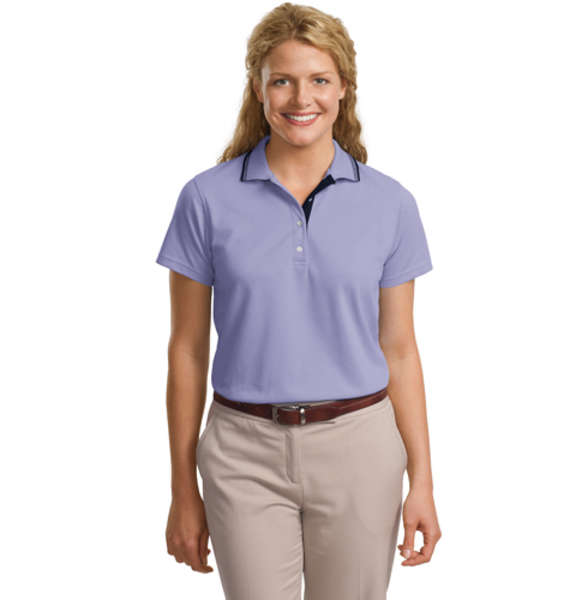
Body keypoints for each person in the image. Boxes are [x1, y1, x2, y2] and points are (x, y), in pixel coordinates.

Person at [156, 3, 441, 599]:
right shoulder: (205, 199)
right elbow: (187, 350)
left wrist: (423, 481)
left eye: (319, 79)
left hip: (361, 449)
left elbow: (400, 349)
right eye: (282, 80)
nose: (300, 98)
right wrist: (183, 488)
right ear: (258, 89)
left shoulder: (390, 204)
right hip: (242, 453)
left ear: (344, 89)